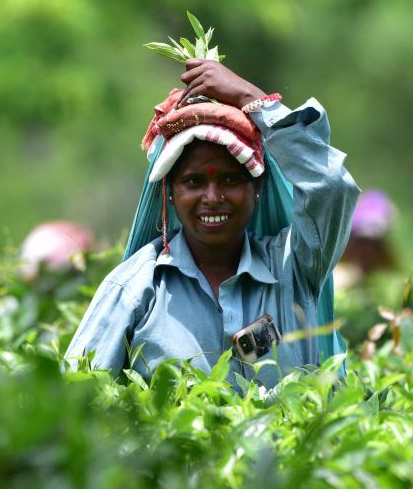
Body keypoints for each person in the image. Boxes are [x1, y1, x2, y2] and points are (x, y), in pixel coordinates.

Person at [66, 59, 360, 387]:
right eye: (193, 182)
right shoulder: (135, 291)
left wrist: (253, 99)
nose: (212, 196)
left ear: (257, 189)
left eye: (230, 180)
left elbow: (331, 185)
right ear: (170, 194)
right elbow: (77, 398)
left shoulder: (293, 267)